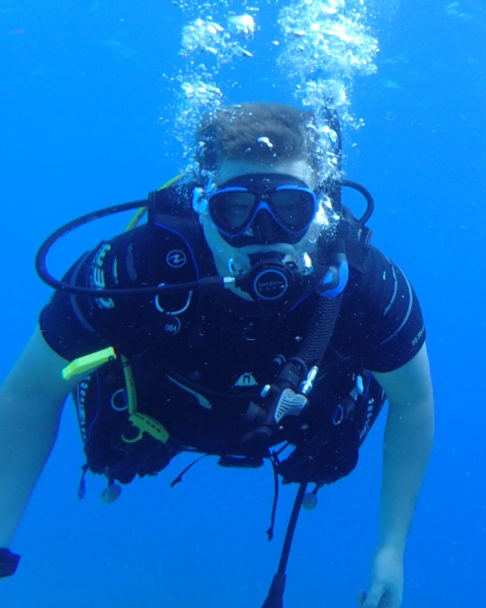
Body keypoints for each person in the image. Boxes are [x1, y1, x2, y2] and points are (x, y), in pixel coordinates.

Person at [0, 101, 434, 607]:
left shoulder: (365, 285)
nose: (262, 236)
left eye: (291, 210)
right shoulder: (134, 269)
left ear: (322, 210)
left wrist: (391, 549)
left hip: (298, 426)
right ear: (203, 205)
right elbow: (32, 389)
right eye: (235, 209)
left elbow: (414, 402)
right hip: (158, 416)